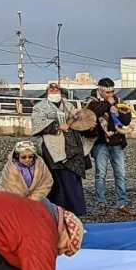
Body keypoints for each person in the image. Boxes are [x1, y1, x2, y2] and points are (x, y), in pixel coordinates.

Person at [31, 83, 96, 217]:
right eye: (52, 89)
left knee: (72, 180)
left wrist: (87, 124)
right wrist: (57, 126)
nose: (54, 91)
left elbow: (79, 120)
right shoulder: (39, 107)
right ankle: (56, 212)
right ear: (47, 91)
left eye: (57, 89)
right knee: (55, 181)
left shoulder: (69, 106)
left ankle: (75, 212)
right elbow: (38, 124)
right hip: (50, 148)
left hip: (73, 147)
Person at [85, 78, 134, 216]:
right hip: (99, 142)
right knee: (101, 173)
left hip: (116, 141)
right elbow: (92, 114)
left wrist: (117, 112)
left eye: (112, 91)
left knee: (121, 173)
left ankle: (122, 202)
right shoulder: (91, 101)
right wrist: (108, 104)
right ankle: (101, 202)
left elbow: (126, 120)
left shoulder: (119, 101)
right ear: (100, 90)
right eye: (107, 92)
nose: (110, 94)